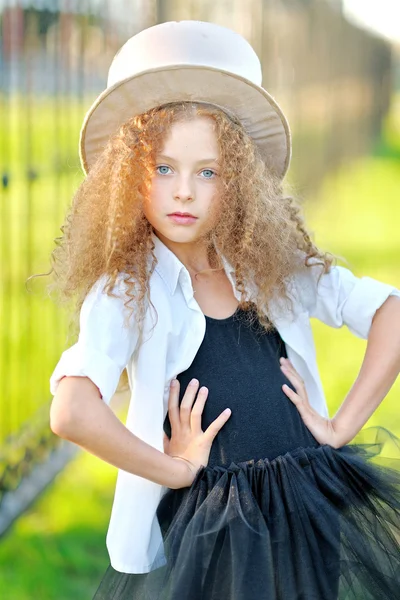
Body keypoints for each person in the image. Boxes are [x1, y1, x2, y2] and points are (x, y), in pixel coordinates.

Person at [47, 21, 400, 600]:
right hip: (221, 532)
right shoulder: (127, 290)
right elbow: (72, 411)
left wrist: (339, 428)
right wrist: (177, 469)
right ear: (127, 176)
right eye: (163, 168)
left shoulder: (271, 265)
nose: (184, 191)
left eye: (207, 172)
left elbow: (391, 313)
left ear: (237, 181)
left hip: (306, 505)